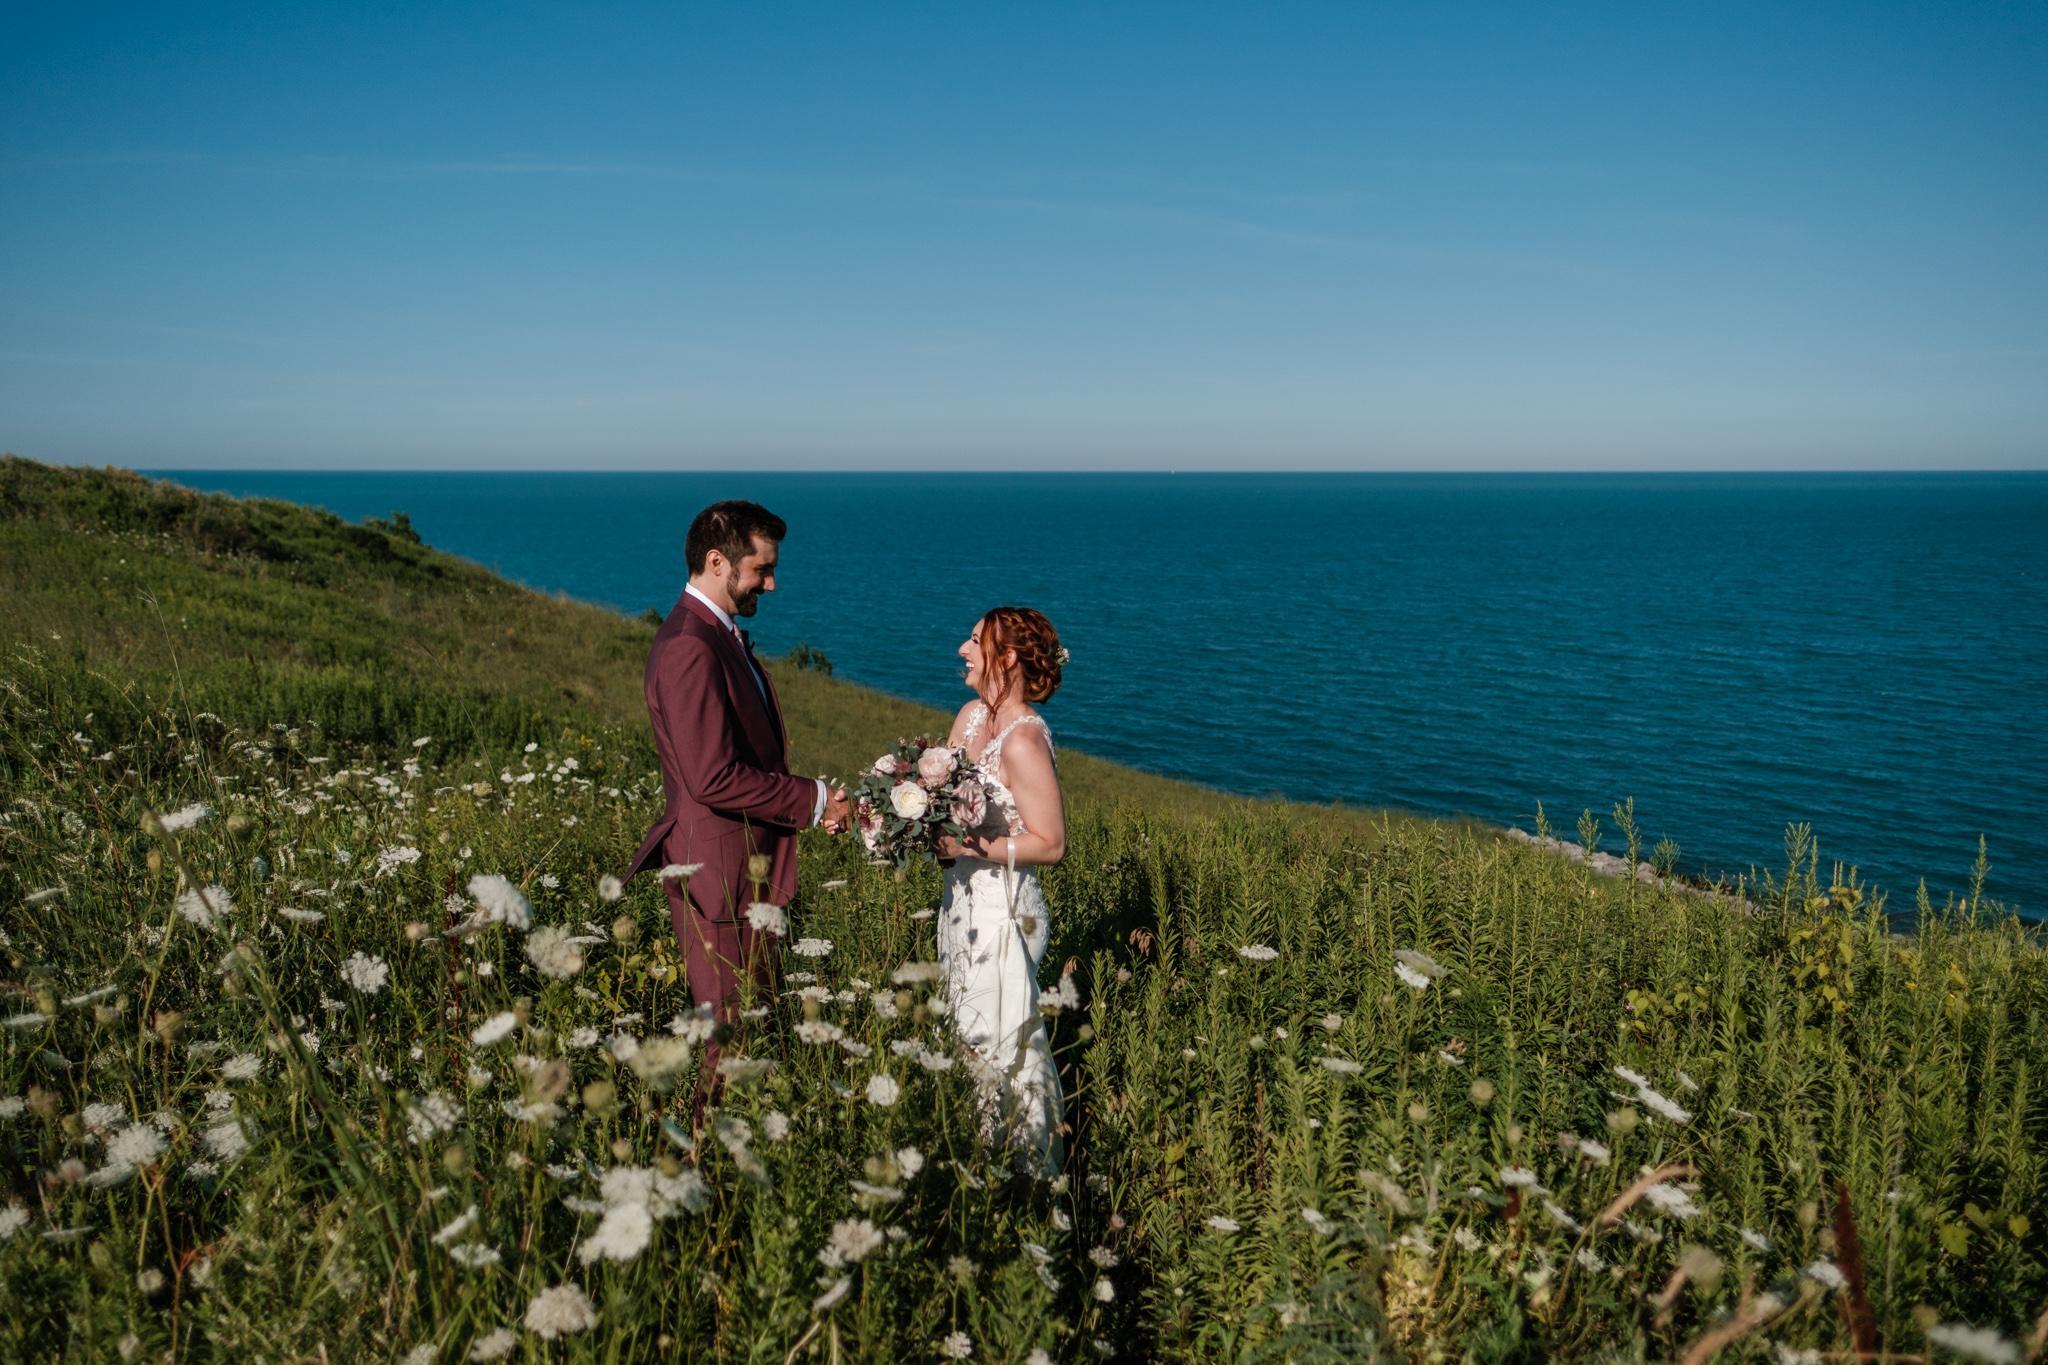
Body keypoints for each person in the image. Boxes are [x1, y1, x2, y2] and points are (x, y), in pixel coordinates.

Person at [621, 500, 850, 1105]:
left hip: (740, 870)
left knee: (751, 1030)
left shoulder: (711, 635)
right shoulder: (689, 646)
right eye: (761, 570)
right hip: (720, 880)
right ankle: (708, 1151)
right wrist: (815, 798)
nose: (771, 584)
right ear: (718, 561)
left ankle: (738, 1143)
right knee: (728, 1043)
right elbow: (713, 777)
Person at [932, 606, 1070, 1174]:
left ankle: (1021, 1171)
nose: (962, 650)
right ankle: (971, 1157)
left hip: (1004, 914)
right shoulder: (969, 718)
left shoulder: (1023, 742)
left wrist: (972, 847)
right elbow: (942, 809)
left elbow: (1051, 843)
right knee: (961, 1040)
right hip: (958, 907)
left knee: (998, 1046)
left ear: (1007, 657)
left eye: (974, 641)